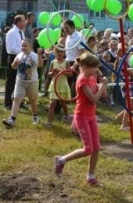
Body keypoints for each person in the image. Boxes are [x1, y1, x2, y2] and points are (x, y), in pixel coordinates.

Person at [55, 53, 108, 186]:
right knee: (88, 149)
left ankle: (90, 177)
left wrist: (102, 82)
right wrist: (102, 86)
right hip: (82, 116)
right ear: (84, 67)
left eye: (97, 67)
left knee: (96, 147)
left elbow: (104, 95)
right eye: (94, 67)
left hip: (91, 116)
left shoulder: (92, 78)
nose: (96, 70)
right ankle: (61, 160)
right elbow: (94, 98)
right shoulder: (82, 80)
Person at [2, 39, 40, 127]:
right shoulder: (19, 55)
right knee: (16, 99)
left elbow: (40, 65)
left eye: (25, 46)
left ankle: (35, 116)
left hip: (32, 82)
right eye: (22, 46)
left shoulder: (34, 56)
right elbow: (13, 66)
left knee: (33, 101)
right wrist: (15, 63)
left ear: (30, 47)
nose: (23, 47)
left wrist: (38, 57)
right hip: (20, 81)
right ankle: (12, 119)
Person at [46, 47, 72, 128]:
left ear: (64, 53)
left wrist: (62, 72)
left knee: (63, 103)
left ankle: (66, 115)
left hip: (63, 85)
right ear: (54, 52)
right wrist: (53, 72)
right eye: (57, 51)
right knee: (52, 103)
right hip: (55, 85)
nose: (59, 53)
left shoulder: (66, 62)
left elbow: (70, 74)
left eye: (61, 51)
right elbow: (49, 74)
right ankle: (49, 122)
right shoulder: (53, 62)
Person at [5, 16, 26, 109]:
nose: (25, 23)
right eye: (23, 21)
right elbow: (11, 49)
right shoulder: (12, 33)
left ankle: (19, 102)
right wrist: (23, 50)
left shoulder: (21, 32)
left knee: (20, 81)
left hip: (21, 58)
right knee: (11, 81)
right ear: (18, 22)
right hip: (14, 58)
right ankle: (8, 102)